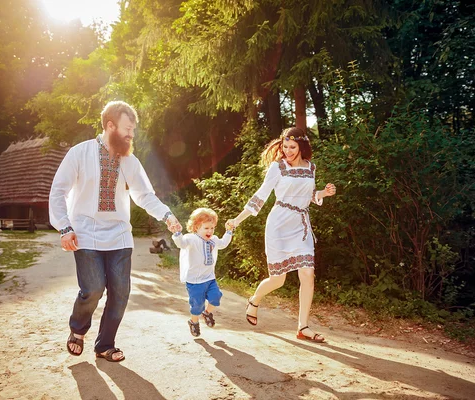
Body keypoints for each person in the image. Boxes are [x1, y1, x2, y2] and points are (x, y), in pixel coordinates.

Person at [49, 100, 182, 362]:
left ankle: (105, 345)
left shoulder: (130, 161)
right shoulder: (80, 153)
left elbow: (144, 195)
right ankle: (77, 330)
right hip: (85, 233)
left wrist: (167, 214)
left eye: (133, 130)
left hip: (120, 235)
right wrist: (64, 227)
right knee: (94, 289)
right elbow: (58, 191)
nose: (131, 135)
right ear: (110, 126)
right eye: (127, 129)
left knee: (120, 293)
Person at [227, 127, 336, 342]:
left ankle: (303, 327)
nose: (288, 151)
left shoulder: (310, 168)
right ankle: (255, 299)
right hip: (279, 225)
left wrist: (323, 193)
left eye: (292, 147)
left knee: (308, 275)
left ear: (302, 147)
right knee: (278, 279)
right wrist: (237, 219)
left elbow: (307, 195)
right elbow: (261, 195)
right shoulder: (278, 168)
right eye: (285, 146)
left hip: (301, 225)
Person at [172, 208, 233, 337]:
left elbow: (223, 244)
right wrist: (177, 233)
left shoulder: (213, 239)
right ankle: (194, 322)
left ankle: (207, 313)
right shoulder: (191, 239)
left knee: (216, 296)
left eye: (212, 228)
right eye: (206, 228)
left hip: (209, 278)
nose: (210, 231)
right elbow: (181, 244)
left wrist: (229, 231)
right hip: (194, 281)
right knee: (197, 305)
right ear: (196, 227)